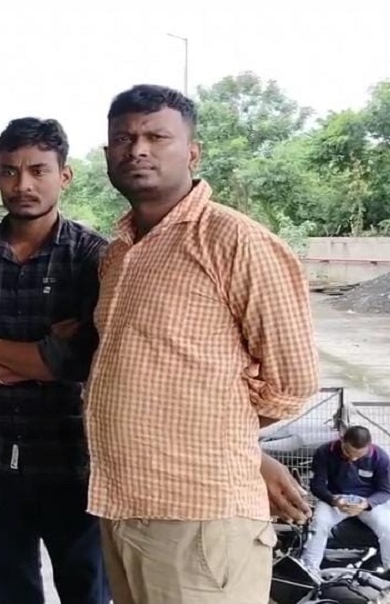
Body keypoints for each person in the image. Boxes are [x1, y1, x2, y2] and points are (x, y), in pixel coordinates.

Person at [85, 84, 319, 604]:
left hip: (199, 516)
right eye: (123, 138)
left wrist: (223, 436)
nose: (137, 149)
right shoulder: (118, 253)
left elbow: (294, 381)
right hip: (123, 505)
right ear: (107, 155)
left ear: (192, 152)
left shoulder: (234, 240)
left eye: (156, 137)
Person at [0, 118, 109, 604]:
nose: (23, 184)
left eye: (38, 170)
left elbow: (81, 361)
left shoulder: (94, 258)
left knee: (86, 592)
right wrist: (43, 356)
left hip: (74, 463)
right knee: (11, 593)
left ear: (65, 175)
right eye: (10, 171)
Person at [302, 426, 390, 574]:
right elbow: (317, 485)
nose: (353, 458)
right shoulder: (325, 452)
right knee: (319, 524)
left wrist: (367, 504)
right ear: (342, 440)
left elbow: (385, 491)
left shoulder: (380, 457)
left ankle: (388, 572)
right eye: (348, 452)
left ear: (369, 447)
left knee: (387, 528)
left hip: (368, 500)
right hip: (336, 498)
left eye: (359, 456)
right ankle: (309, 568)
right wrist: (333, 500)